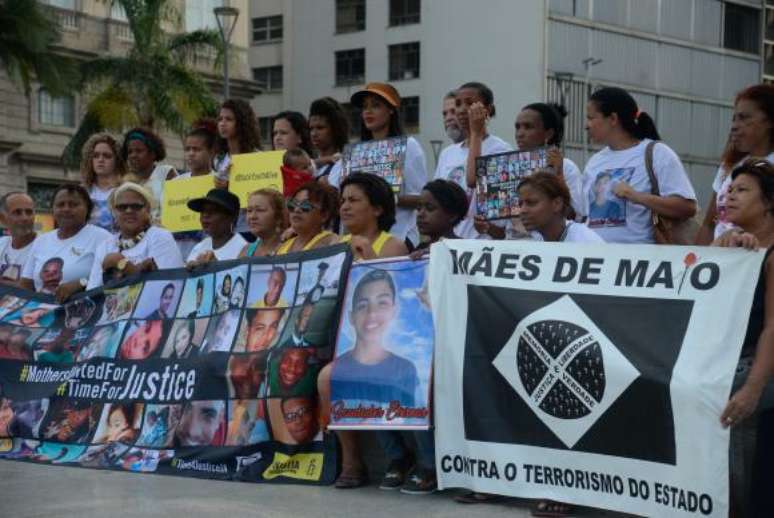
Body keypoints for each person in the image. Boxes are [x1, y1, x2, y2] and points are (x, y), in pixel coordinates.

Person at [711, 159, 774, 518]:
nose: (730, 196)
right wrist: (726, 253)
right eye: (730, 189)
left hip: (761, 364)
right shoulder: (731, 246)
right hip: (730, 357)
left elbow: (772, 327)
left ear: (768, 203)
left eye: (742, 190)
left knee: (728, 403)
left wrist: (752, 388)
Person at [582, 87, 697, 243]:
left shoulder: (656, 153)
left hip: (639, 261)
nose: (586, 125)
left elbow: (687, 207)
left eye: (591, 118)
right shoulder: (595, 161)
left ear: (613, 119)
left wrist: (635, 196)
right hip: (597, 260)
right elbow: (582, 214)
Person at [336, 83, 425, 249]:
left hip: (397, 237)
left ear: (391, 110)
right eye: (364, 107)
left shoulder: (409, 145)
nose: (368, 112)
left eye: (376, 105)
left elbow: (422, 198)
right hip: (355, 241)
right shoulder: (353, 151)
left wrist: (390, 199)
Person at [697, 84, 774, 245]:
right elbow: (710, 223)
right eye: (734, 119)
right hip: (721, 264)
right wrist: (696, 262)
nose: (734, 126)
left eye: (744, 118)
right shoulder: (730, 165)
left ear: (769, 121)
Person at [434, 82, 512, 238]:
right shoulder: (448, 153)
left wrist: (476, 132)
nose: (462, 109)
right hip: (449, 242)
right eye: (458, 104)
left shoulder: (501, 150)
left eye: (469, 103)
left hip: (482, 245)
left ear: (487, 110)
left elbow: (473, 180)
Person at [20, 184, 111, 301]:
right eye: (60, 205)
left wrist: (81, 283)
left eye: (73, 204)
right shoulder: (41, 241)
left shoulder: (102, 238)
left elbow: (113, 277)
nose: (66, 209)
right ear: (53, 209)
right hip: (40, 314)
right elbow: (26, 283)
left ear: (88, 208)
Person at [87, 182, 183, 289]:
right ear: (114, 212)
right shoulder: (105, 246)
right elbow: (93, 290)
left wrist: (122, 263)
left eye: (136, 206)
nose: (129, 211)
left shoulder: (159, 236)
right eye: (122, 207)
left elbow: (167, 286)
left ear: (147, 210)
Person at [519, 172, 605, 244]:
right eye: (520, 204)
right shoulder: (538, 242)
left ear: (557, 204)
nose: (522, 210)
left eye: (531, 203)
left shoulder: (587, 243)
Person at [339, 173, 408, 259]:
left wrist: (368, 254)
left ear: (377, 209)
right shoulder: (337, 244)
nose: (344, 207)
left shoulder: (394, 247)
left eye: (353, 200)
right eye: (343, 201)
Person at [121, 127, 177, 219]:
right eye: (130, 152)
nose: (133, 155)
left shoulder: (166, 173)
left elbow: (176, 205)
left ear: (153, 154)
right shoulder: (126, 181)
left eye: (139, 151)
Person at [186, 189, 247, 265]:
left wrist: (216, 266)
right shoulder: (199, 247)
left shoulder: (243, 248)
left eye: (213, 211)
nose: (205, 215)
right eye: (203, 211)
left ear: (232, 217)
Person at [276, 182, 339, 254]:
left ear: (324, 216)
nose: (296, 209)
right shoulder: (282, 246)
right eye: (293, 204)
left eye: (305, 206)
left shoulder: (331, 243)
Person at [81, 133, 126, 231]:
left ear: (117, 160)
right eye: (96, 156)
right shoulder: (82, 192)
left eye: (107, 156)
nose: (100, 160)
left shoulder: (125, 191)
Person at [214, 99, 262, 185]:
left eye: (229, 119)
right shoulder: (217, 160)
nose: (222, 124)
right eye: (220, 119)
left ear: (242, 123)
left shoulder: (258, 157)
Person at [308, 97, 350, 182]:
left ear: (335, 129)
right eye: (311, 128)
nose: (314, 134)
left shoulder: (346, 164)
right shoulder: (308, 166)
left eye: (320, 128)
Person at [0, 192, 37, 284]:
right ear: (3, 219)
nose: (25, 218)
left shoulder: (46, 247)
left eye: (29, 212)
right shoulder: (1, 244)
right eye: (17, 212)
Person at [239, 189, 287, 258]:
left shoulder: (291, 249)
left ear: (278, 217)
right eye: (249, 211)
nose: (252, 216)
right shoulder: (245, 252)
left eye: (260, 210)